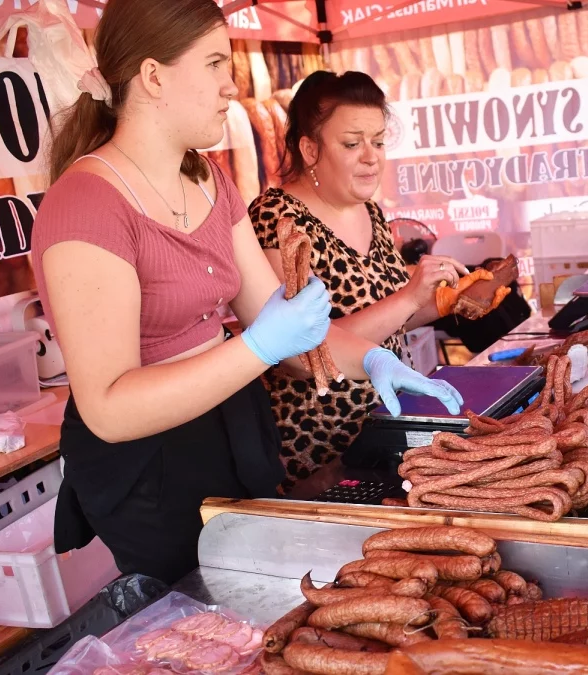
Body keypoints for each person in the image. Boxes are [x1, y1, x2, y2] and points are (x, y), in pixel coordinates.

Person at [30, 0, 461, 583]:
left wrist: (371, 360)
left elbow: (286, 328)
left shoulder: (209, 178)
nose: (231, 86)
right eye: (214, 63)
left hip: (232, 428)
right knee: (203, 607)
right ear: (153, 76)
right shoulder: (87, 202)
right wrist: (257, 348)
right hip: (150, 463)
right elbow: (108, 408)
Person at [249, 71, 490, 490]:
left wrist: (447, 299)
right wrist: (408, 297)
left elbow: (387, 319)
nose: (371, 157)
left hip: (386, 431)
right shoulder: (277, 218)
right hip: (321, 450)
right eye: (352, 143)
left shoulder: (371, 211)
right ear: (310, 149)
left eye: (378, 142)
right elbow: (296, 351)